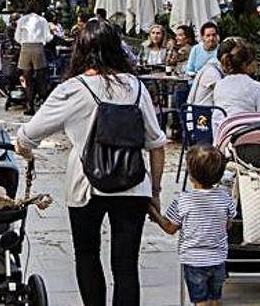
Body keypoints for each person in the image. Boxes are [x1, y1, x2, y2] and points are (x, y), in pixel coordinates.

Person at [15, 20, 168, 306]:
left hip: (85, 185)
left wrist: (27, 153)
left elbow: (27, 135)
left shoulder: (73, 89)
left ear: (81, 50)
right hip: (133, 185)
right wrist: (155, 191)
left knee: (87, 254)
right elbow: (157, 144)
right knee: (126, 266)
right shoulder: (135, 86)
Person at [150, 145, 236, 306]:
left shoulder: (183, 201)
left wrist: (155, 215)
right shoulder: (225, 198)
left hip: (194, 261)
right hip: (218, 259)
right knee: (215, 299)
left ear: (191, 175)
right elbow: (228, 224)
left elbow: (170, 228)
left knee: (201, 301)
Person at [209, 37, 260, 120]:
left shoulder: (219, 85)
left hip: (223, 131)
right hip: (247, 131)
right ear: (245, 64)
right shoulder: (257, 87)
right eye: (254, 60)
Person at [15, 3, 51, 115]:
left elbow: (17, 37)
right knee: (41, 78)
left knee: (27, 78)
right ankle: (43, 104)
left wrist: (24, 43)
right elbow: (48, 37)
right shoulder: (43, 20)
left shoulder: (21, 20)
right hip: (38, 48)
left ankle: (29, 105)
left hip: (25, 48)